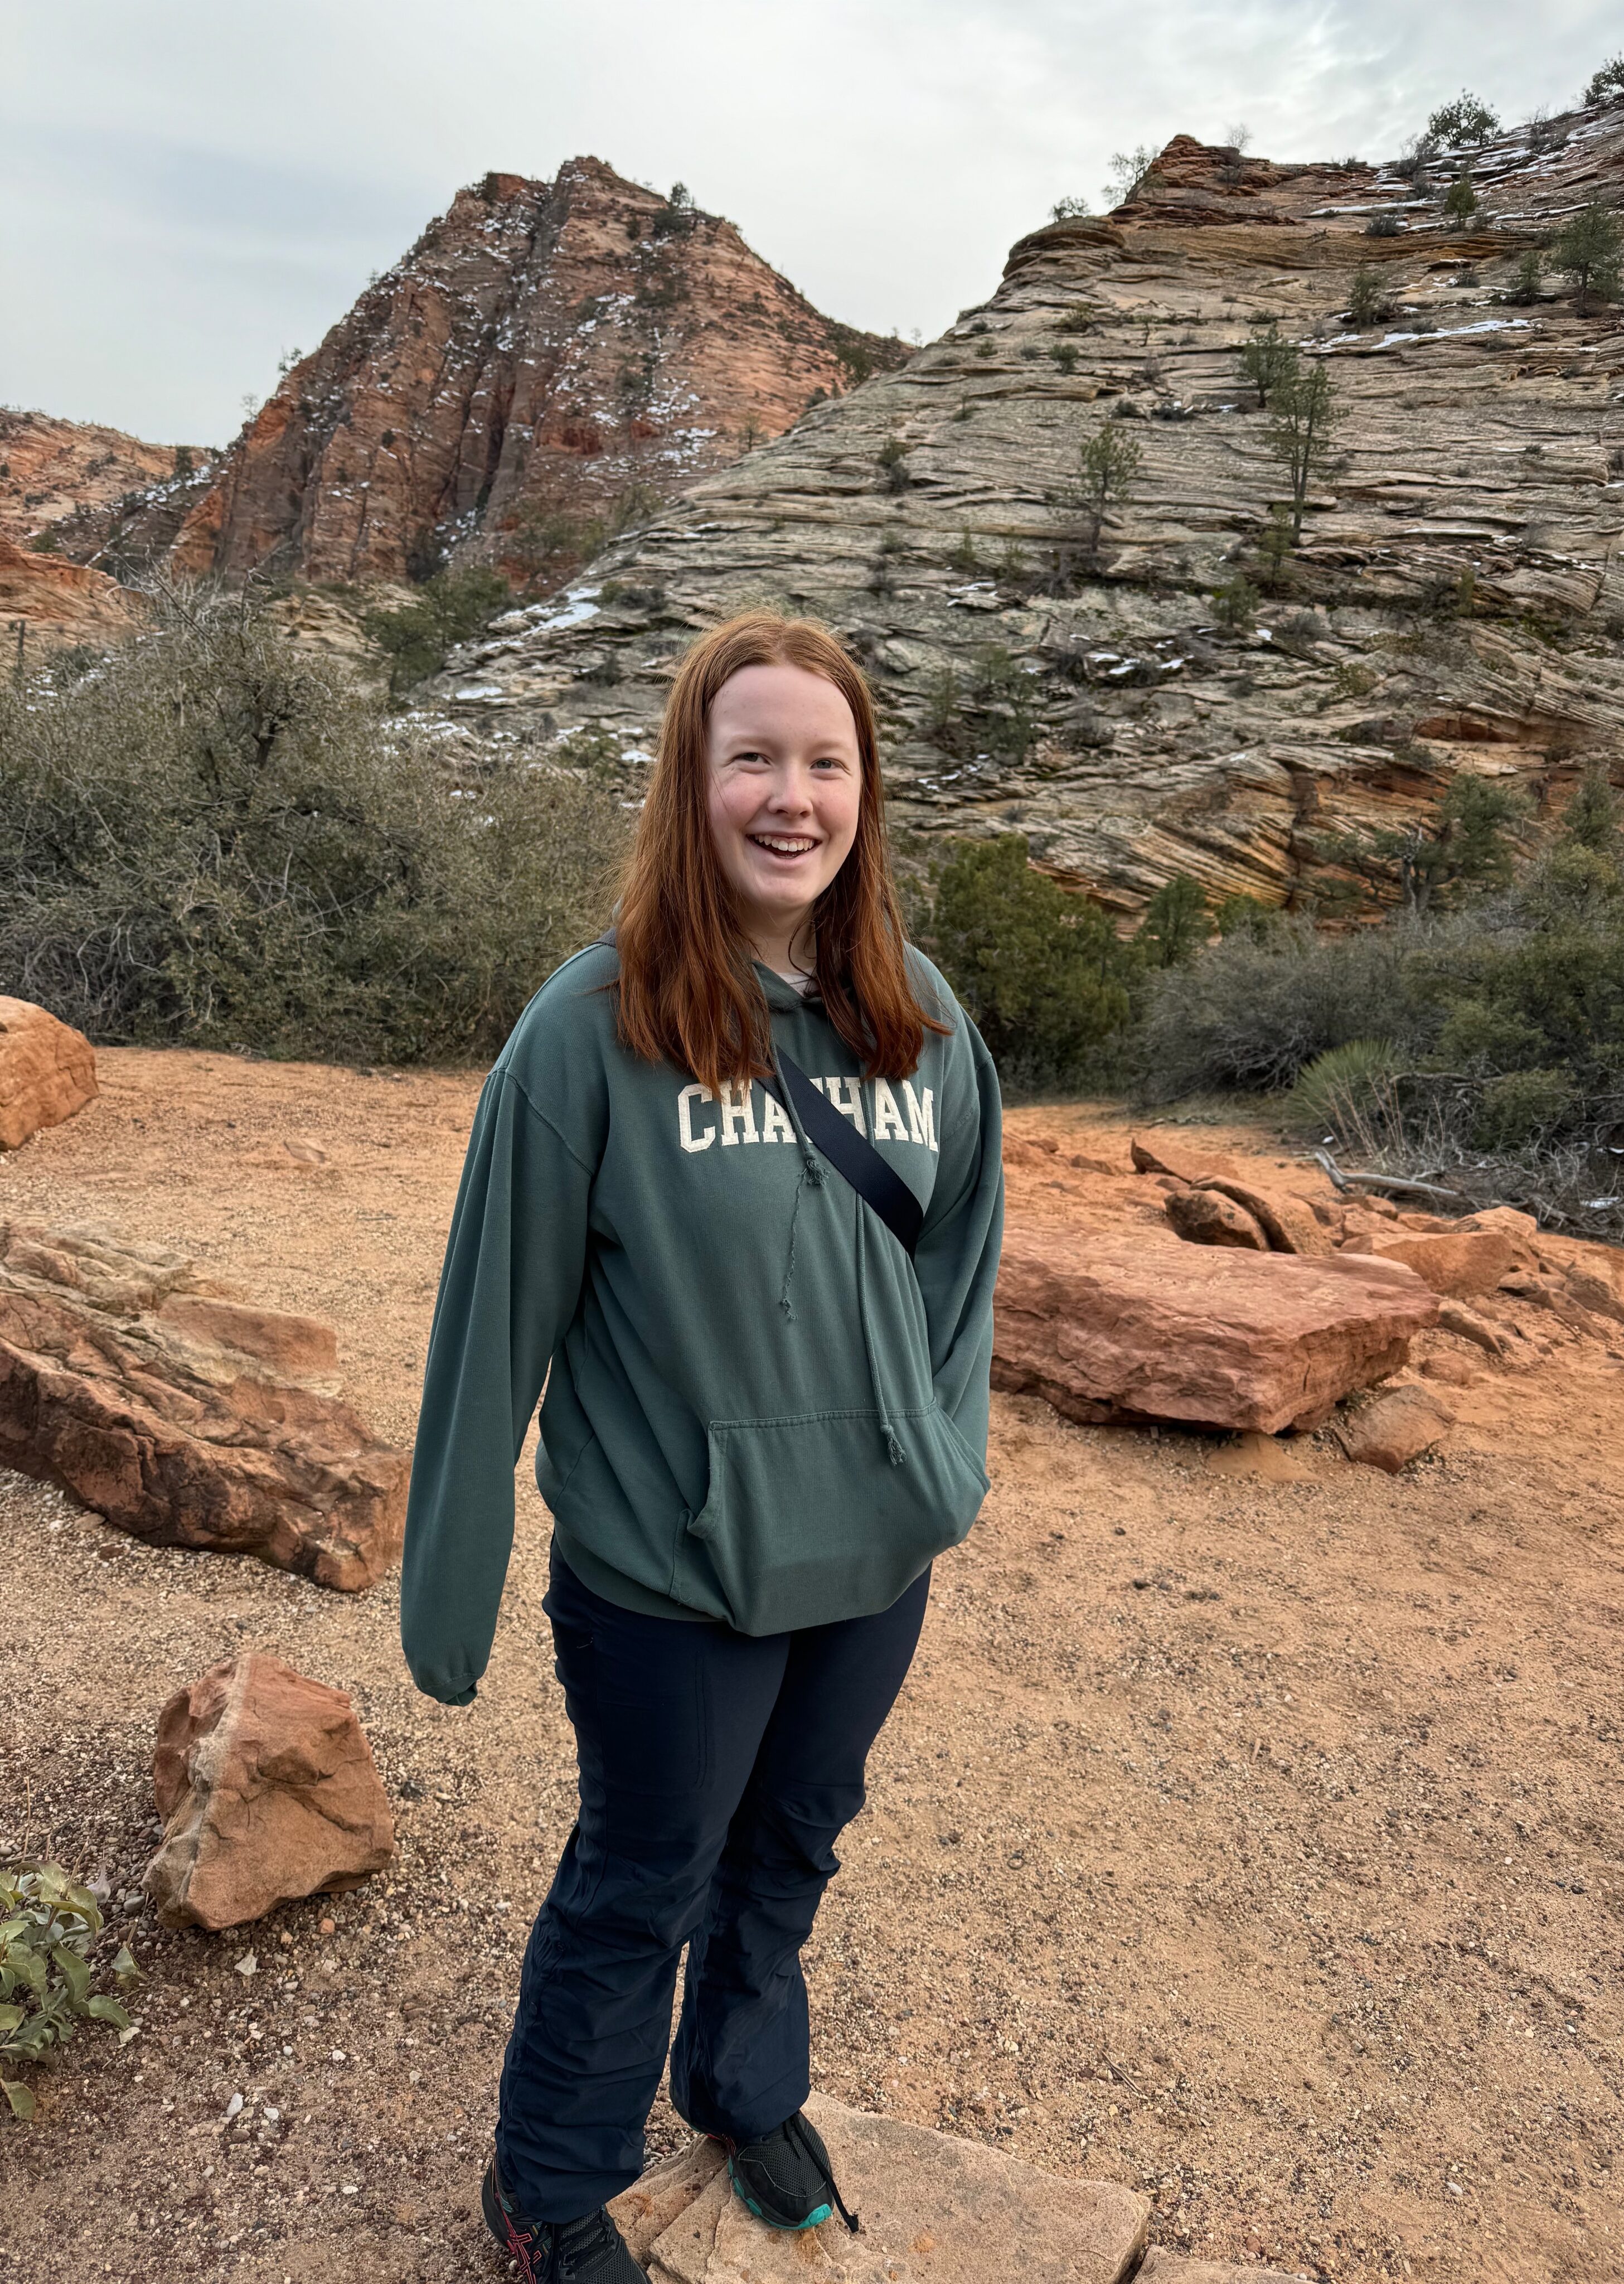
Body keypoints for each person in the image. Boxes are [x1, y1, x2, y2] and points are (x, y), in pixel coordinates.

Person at [400, 612, 1004, 2284]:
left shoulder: (920, 1015)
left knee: (797, 1835)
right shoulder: (587, 1033)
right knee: (643, 1873)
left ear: (866, 792)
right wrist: (448, 1583)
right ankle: (548, 2187)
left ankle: (742, 2086)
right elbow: (490, 1328)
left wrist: (934, 1461)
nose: (791, 797)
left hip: (870, 1556)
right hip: (671, 1571)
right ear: (694, 782)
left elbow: (958, 1269)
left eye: (826, 762)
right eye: (754, 758)